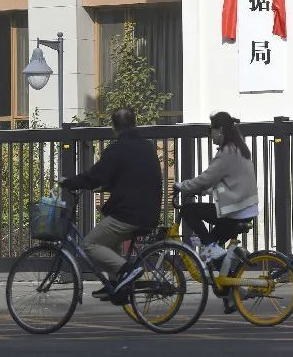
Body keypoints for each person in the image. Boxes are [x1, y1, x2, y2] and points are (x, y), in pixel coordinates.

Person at [60, 106, 162, 298]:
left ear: (114, 128)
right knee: (108, 236)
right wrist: (107, 186)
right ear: (134, 124)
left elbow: (95, 176)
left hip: (129, 215)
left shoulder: (116, 149)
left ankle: (128, 270)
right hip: (149, 211)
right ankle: (115, 285)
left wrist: (69, 182)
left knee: (89, 244)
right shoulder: (147, 146)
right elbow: (131, 176)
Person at [174, 111, 259, 263]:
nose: (210, 134)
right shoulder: (238, 148)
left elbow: (206, 179)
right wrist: (203, 191)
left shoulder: (227, 152)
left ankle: (212, 249)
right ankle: (226, 274)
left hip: (235, 212)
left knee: (188, 211)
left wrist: (182, 186)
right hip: (245, 209)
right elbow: (227, 181)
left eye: (210, 130)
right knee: (211, 253)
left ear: (219, 130)